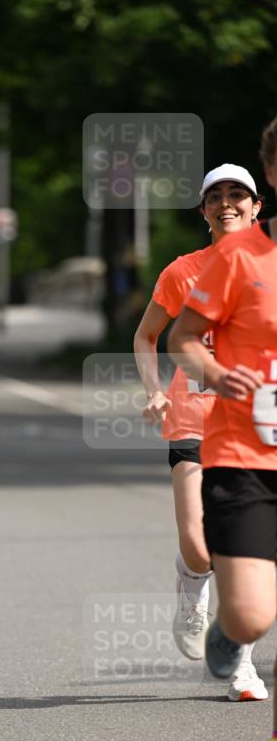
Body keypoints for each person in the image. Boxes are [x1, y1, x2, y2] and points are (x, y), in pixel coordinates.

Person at [169, 116, 277, 741]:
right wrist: (214, 375)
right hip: (242, 448)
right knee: (250, 612)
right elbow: (180, 337)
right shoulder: (236, 258)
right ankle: (231, 629)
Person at [134, 164, 267, 700]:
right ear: (203, 211)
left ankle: (242, 666)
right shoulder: (182, 272)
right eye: (216, 196)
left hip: (258, 427)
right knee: (199, 545)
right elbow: (146, 336)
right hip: (193, 419)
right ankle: (192, 588)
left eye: (239, 195)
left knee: (245, 550)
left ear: (257, 208)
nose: (227, 203)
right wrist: (154, 389)